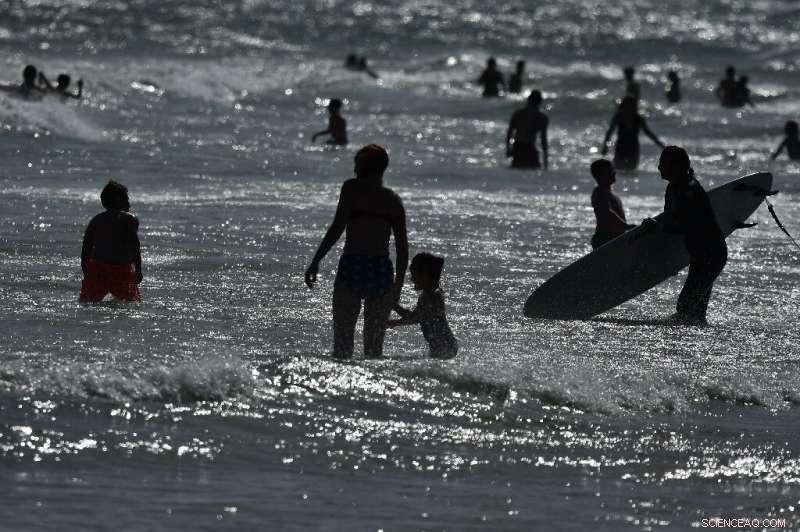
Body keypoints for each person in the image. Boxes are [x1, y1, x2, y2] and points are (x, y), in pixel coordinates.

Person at [304, 144, 408, 359]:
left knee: (342, 346)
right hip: (380, 271)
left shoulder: (351, 189)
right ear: (383, 168)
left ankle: (340, 392)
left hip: (353, 266)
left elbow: (337, 227)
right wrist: (397, 285)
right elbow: (402, 248)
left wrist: (316, 260)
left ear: (361, 167)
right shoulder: (393, 201)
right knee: (374, 351)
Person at [644, 146, 727, 325]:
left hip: (712, 253)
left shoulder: (690, 190)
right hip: (699, 254)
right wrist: (657, 225)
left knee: (686, 306)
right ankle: (700, 341)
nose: (659, 167)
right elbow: (669, 219)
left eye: (663, 163)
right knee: (694, 310)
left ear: (676, 166)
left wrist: (658, 226)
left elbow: (684, 225)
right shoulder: (673, 188)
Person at [79, 181, 142, 303]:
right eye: (127, 199)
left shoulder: (95, 221)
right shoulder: (129, 219)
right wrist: (138, 270)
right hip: (121, 271)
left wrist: (87, 272)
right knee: (131, 304)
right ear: (118, 200)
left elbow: (86, 248)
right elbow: (135, 246)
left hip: (97, 270)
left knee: (87, 302)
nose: (129, 203)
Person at [388, 252, 457, 359]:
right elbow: (414, 316)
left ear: (425, 276)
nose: (411, 279)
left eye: (414, 275)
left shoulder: (433, 296)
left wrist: (394, 320)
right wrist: (394, 307)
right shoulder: (428, 294)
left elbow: (414, 318)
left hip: (445, 345)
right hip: (444, 344)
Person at [601, 96, 665, 170]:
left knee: (631, 171)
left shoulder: (638, 119)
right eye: (627, 106)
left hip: (633, 148)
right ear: (623, 106)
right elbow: (610, 132)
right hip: (621, 147)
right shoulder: (619, 117)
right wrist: (605, 147)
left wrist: (661, 146)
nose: (629, 108)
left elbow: (649, 133)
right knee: (618, 170)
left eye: (631, 106)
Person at [590, 159, 634, 249]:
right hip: (605, 239)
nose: (614, 173)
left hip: (615, 238)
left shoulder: (611, 193)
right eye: (610, 171)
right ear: (601, 175)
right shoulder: (599, 192)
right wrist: (625, 226)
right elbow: (606, 212)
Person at [506, 90, 548, 169]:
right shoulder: (541, 117)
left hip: (520, 147)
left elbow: (510, 133)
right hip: (525, 147)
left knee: (518, 170)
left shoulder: (518, 114)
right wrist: (545, 161)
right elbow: (543, 140)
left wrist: (508, 149)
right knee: (531, 170)